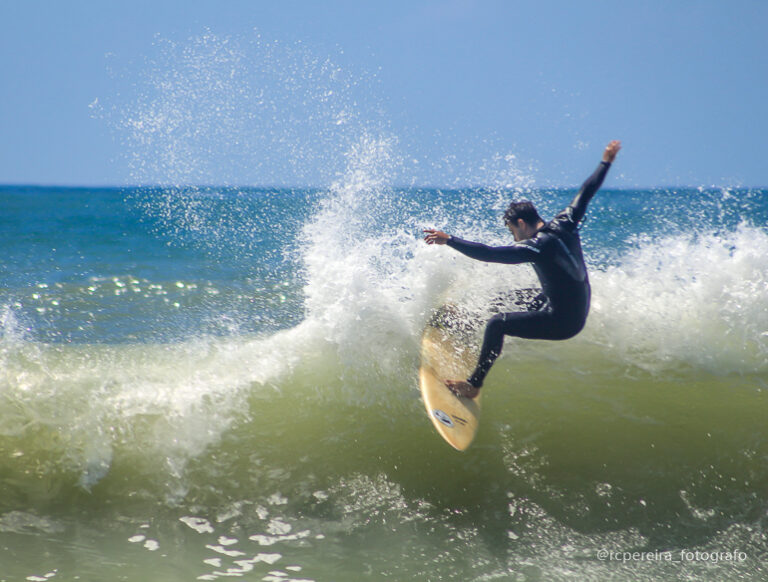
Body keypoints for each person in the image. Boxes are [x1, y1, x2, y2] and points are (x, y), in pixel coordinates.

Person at [424, 140, 621, 399]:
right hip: (573, 306)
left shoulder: (536, 247)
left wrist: (450, 240)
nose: (515, 239)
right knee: (505, 299)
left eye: (512, 232)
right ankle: (465, 323)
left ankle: (473, 385)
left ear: (521, 223)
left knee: (497, 324)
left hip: (564, 323)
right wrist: (605, 161)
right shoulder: (566, 221)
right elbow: (587, 191)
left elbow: (489, 253)